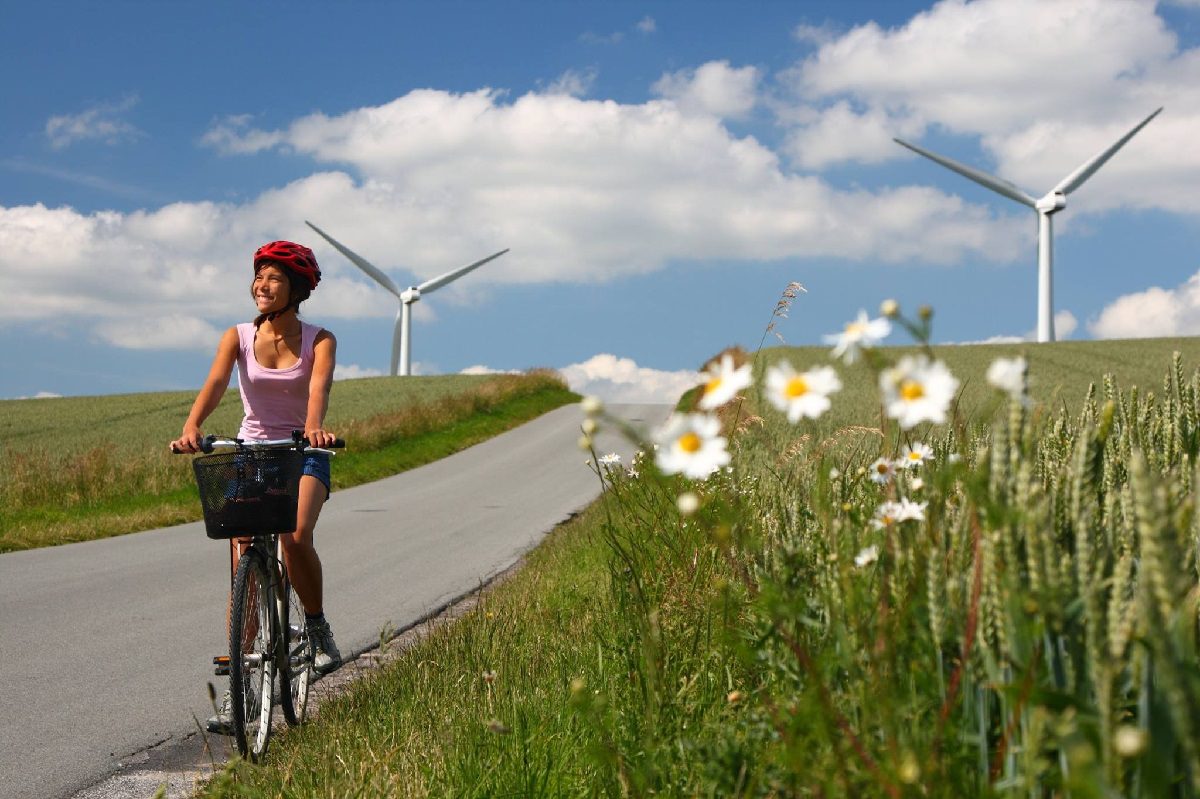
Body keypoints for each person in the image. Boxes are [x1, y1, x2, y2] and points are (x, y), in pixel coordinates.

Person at [170, 240, 342, 734]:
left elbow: (319, 390)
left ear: (296, 289)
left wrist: (314, 428)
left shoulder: (320, 339)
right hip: (251, 453)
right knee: (241, 562)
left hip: (302, 452)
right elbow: (217, 382)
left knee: (295, 535)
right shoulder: (238, 335)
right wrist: (191, 427)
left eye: (273, 278)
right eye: (258, 276)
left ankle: (315, 625)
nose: (261, 286)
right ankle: (237, 696)